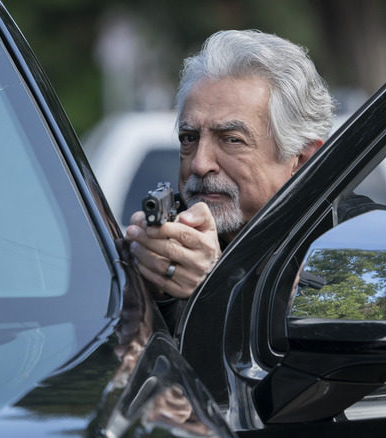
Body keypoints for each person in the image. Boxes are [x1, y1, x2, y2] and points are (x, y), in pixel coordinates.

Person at [124, 29, 336, 318]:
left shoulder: (351, 241)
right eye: (189, 138)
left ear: (301, 159)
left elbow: (320, 342)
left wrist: (217, 281)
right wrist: (150, 283)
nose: (199, 164)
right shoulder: (164, 234)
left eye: (231, 139)